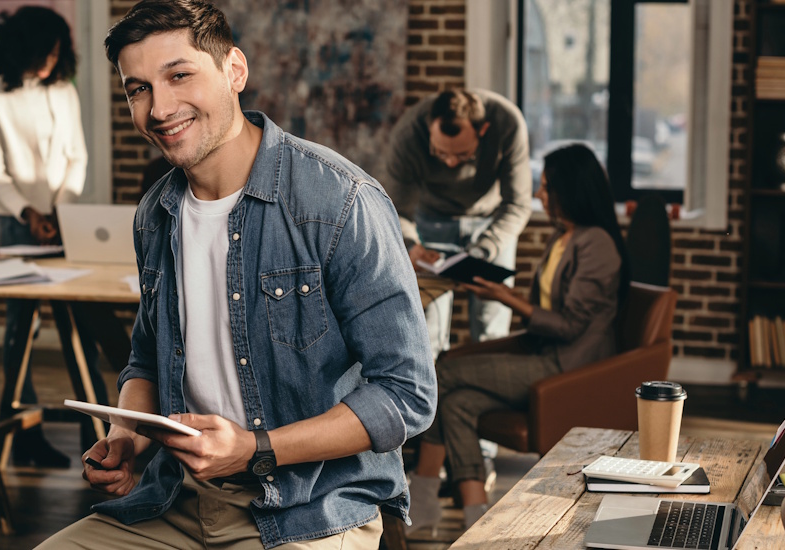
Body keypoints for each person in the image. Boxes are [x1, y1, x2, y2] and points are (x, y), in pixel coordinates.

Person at [36, 1, 435, 548]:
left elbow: (406, 394)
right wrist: (127, 435)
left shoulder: (341, 200)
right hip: (176, 499)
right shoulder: (155, 215)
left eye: (179, 75)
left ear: (235, 71)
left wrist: (254, 448)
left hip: (311, 506)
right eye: (138, 89)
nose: (159, 107)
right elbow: (146, 361)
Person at [406, 143, 630, 533]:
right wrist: (499, 293)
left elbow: (570, 326)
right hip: (543, 354)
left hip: (568, 368)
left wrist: (506, 299)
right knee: (458, 404)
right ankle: (477, 518)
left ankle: (421, 495)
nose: (540, 195)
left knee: (441, 371)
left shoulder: (597, 244)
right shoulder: (564, 237)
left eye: (546, 187)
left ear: (570, 190)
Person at [0, 6, 96, 468]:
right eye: (44, 52)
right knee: (21, 329)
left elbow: (76, 157)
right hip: (14, 223)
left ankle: (97, 430)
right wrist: (29, 212)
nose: (50, 62)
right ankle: (26, 436)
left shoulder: (63, 92)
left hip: (64, 219)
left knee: (77, 324)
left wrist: (58, 211)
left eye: (56, 53)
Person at [384, 88, 532, 359]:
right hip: (431, 223)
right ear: (430, 128)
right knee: (428, 332)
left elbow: (518, 204)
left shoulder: (508, 123)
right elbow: (393, 208)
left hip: (491, 223)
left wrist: (485, 249)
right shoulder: (407, 134)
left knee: (492, 330)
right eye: (440, 153)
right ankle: (433, 400)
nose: (451, 163)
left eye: (463, 155)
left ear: (483, 130)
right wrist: (411, 246)